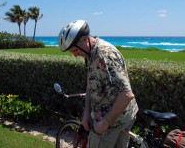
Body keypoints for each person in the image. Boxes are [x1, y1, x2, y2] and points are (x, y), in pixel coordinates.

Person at [58, 20, 139, 148]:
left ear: (85, 39)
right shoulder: (90, 53)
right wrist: (86, 115)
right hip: (115, 118)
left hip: (113, 122)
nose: (74, 55)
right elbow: (91, 85)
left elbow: (126, 94)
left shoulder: (105, 55)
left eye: (74, 50)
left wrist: (105, 123)